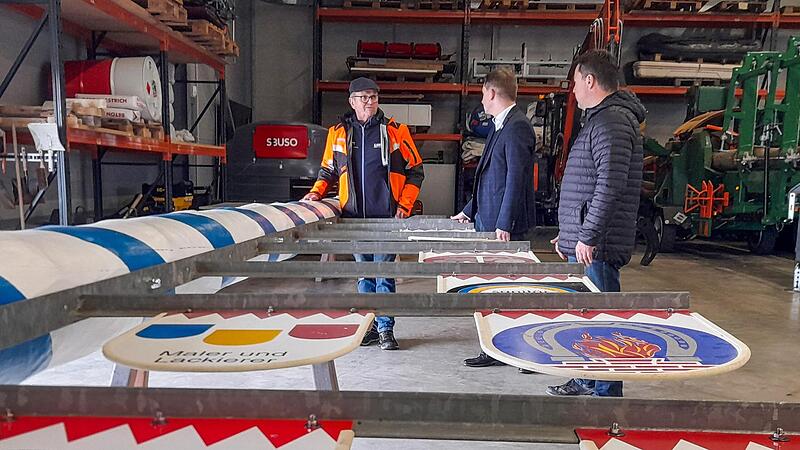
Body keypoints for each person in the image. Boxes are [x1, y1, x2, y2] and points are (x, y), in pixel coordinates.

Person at [546, 50, 645, 397]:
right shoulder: (603, 120)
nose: (572, 90)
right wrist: (570, 231)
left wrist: (587, 235)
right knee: (586, 316)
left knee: (602, 318)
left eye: (575, 83)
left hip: (598, 248)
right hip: (588, 241)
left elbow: (609, 184)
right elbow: (589, 184)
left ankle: (605, 395)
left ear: (590, 81)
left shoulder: (612, 122)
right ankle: (588, 377)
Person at [302, 77, 424, 351]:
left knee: (383, 274)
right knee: (363, 275)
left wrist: (403, 206)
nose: (370, 102)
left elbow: (416, 170)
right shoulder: (338, 133)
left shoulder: (395, 131)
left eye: (373, 97)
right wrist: (316, 193)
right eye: (364, 97)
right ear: (352, 101)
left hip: (386, 218)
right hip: (353, 218)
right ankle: (368, 326)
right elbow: (328, 171)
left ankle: (386, 329)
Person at [451, 67, 537, 369]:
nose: (482, 102)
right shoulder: (502, 126)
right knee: (492, 290)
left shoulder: (517, 127)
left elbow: (516, 179)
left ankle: (521, 352)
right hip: (491, 221)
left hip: (504, 228)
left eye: (483, 95)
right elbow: (491, 178)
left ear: (491, 92)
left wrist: (504, 223)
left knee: (511, 290)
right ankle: (496, 347)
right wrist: (469, 210)